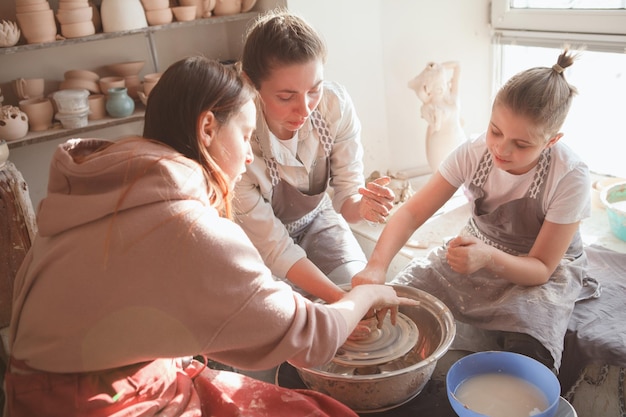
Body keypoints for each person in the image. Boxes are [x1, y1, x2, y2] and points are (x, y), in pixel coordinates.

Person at [4, 56, 415, 417]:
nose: (250, 154)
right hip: (91, 401)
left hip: (34, 385)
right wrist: (365, 296)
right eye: (243, 135)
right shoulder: (187, 226)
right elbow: (311, 337)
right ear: (206, 129)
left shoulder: (112, 180)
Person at [353, 49, 591, 372]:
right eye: (496, 130)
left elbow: (541, 268)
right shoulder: (474, 152)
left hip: (539, 272)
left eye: (521, 145)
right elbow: (410, 215)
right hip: (478, 248)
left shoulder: (570, 175)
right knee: (403, 302)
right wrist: (377, 266)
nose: (501, 149)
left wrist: (489, 258)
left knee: (526, 354)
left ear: (552, 140)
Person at [234, 10, 395, 305]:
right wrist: (344, 304)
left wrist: (365, 206)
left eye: (314, 89)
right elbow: (276, 249)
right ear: (250, 84)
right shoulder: (237, 141)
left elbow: (347, 198)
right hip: (260, 246)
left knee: (357, 284)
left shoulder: (334, 107)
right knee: (296, 319)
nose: (305, 109)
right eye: (286, 97)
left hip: (318, 222)